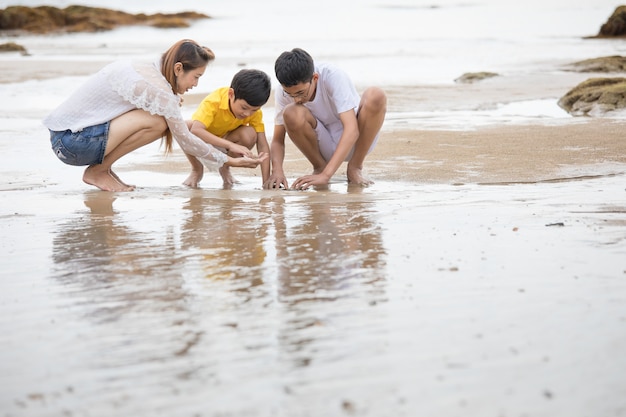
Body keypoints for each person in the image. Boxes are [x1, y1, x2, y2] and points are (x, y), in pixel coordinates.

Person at [43, 39, 266, 192]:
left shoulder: (151, 68)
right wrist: (230, 160)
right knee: (160, 123)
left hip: (69, 139)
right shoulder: (158, 87)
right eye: (195, 77)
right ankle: (98, 171)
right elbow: (186, 139)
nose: (196, 84)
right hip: (72, 143)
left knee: (159, 116)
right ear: (178, 69)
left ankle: (103, 169)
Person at [264, 47, 386, 191]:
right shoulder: (283, 92)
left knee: (375, 95)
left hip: (358, 142)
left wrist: (327, 175)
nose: (296, 99)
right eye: (290, 94)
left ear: (315, 78)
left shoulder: (333, 76)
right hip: (323, 145)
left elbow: (352, 130)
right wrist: (277, 170)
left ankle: (354, 168)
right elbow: (278, 140)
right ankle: (319, 167)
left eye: (301, 93)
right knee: (291, 112)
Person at [183, 68, 271, 189]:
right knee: (187, 126)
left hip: (224, 143)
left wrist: (266, 182)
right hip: (202, 143)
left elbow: (262, 144)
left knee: (250, 133)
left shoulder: (253, 112)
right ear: (231, 94)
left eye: (254, 110)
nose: (247, 114)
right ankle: (197, 169)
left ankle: (224, 168)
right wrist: (231, 145)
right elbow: (196, 130)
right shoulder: (214, 102)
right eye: (244, 108)